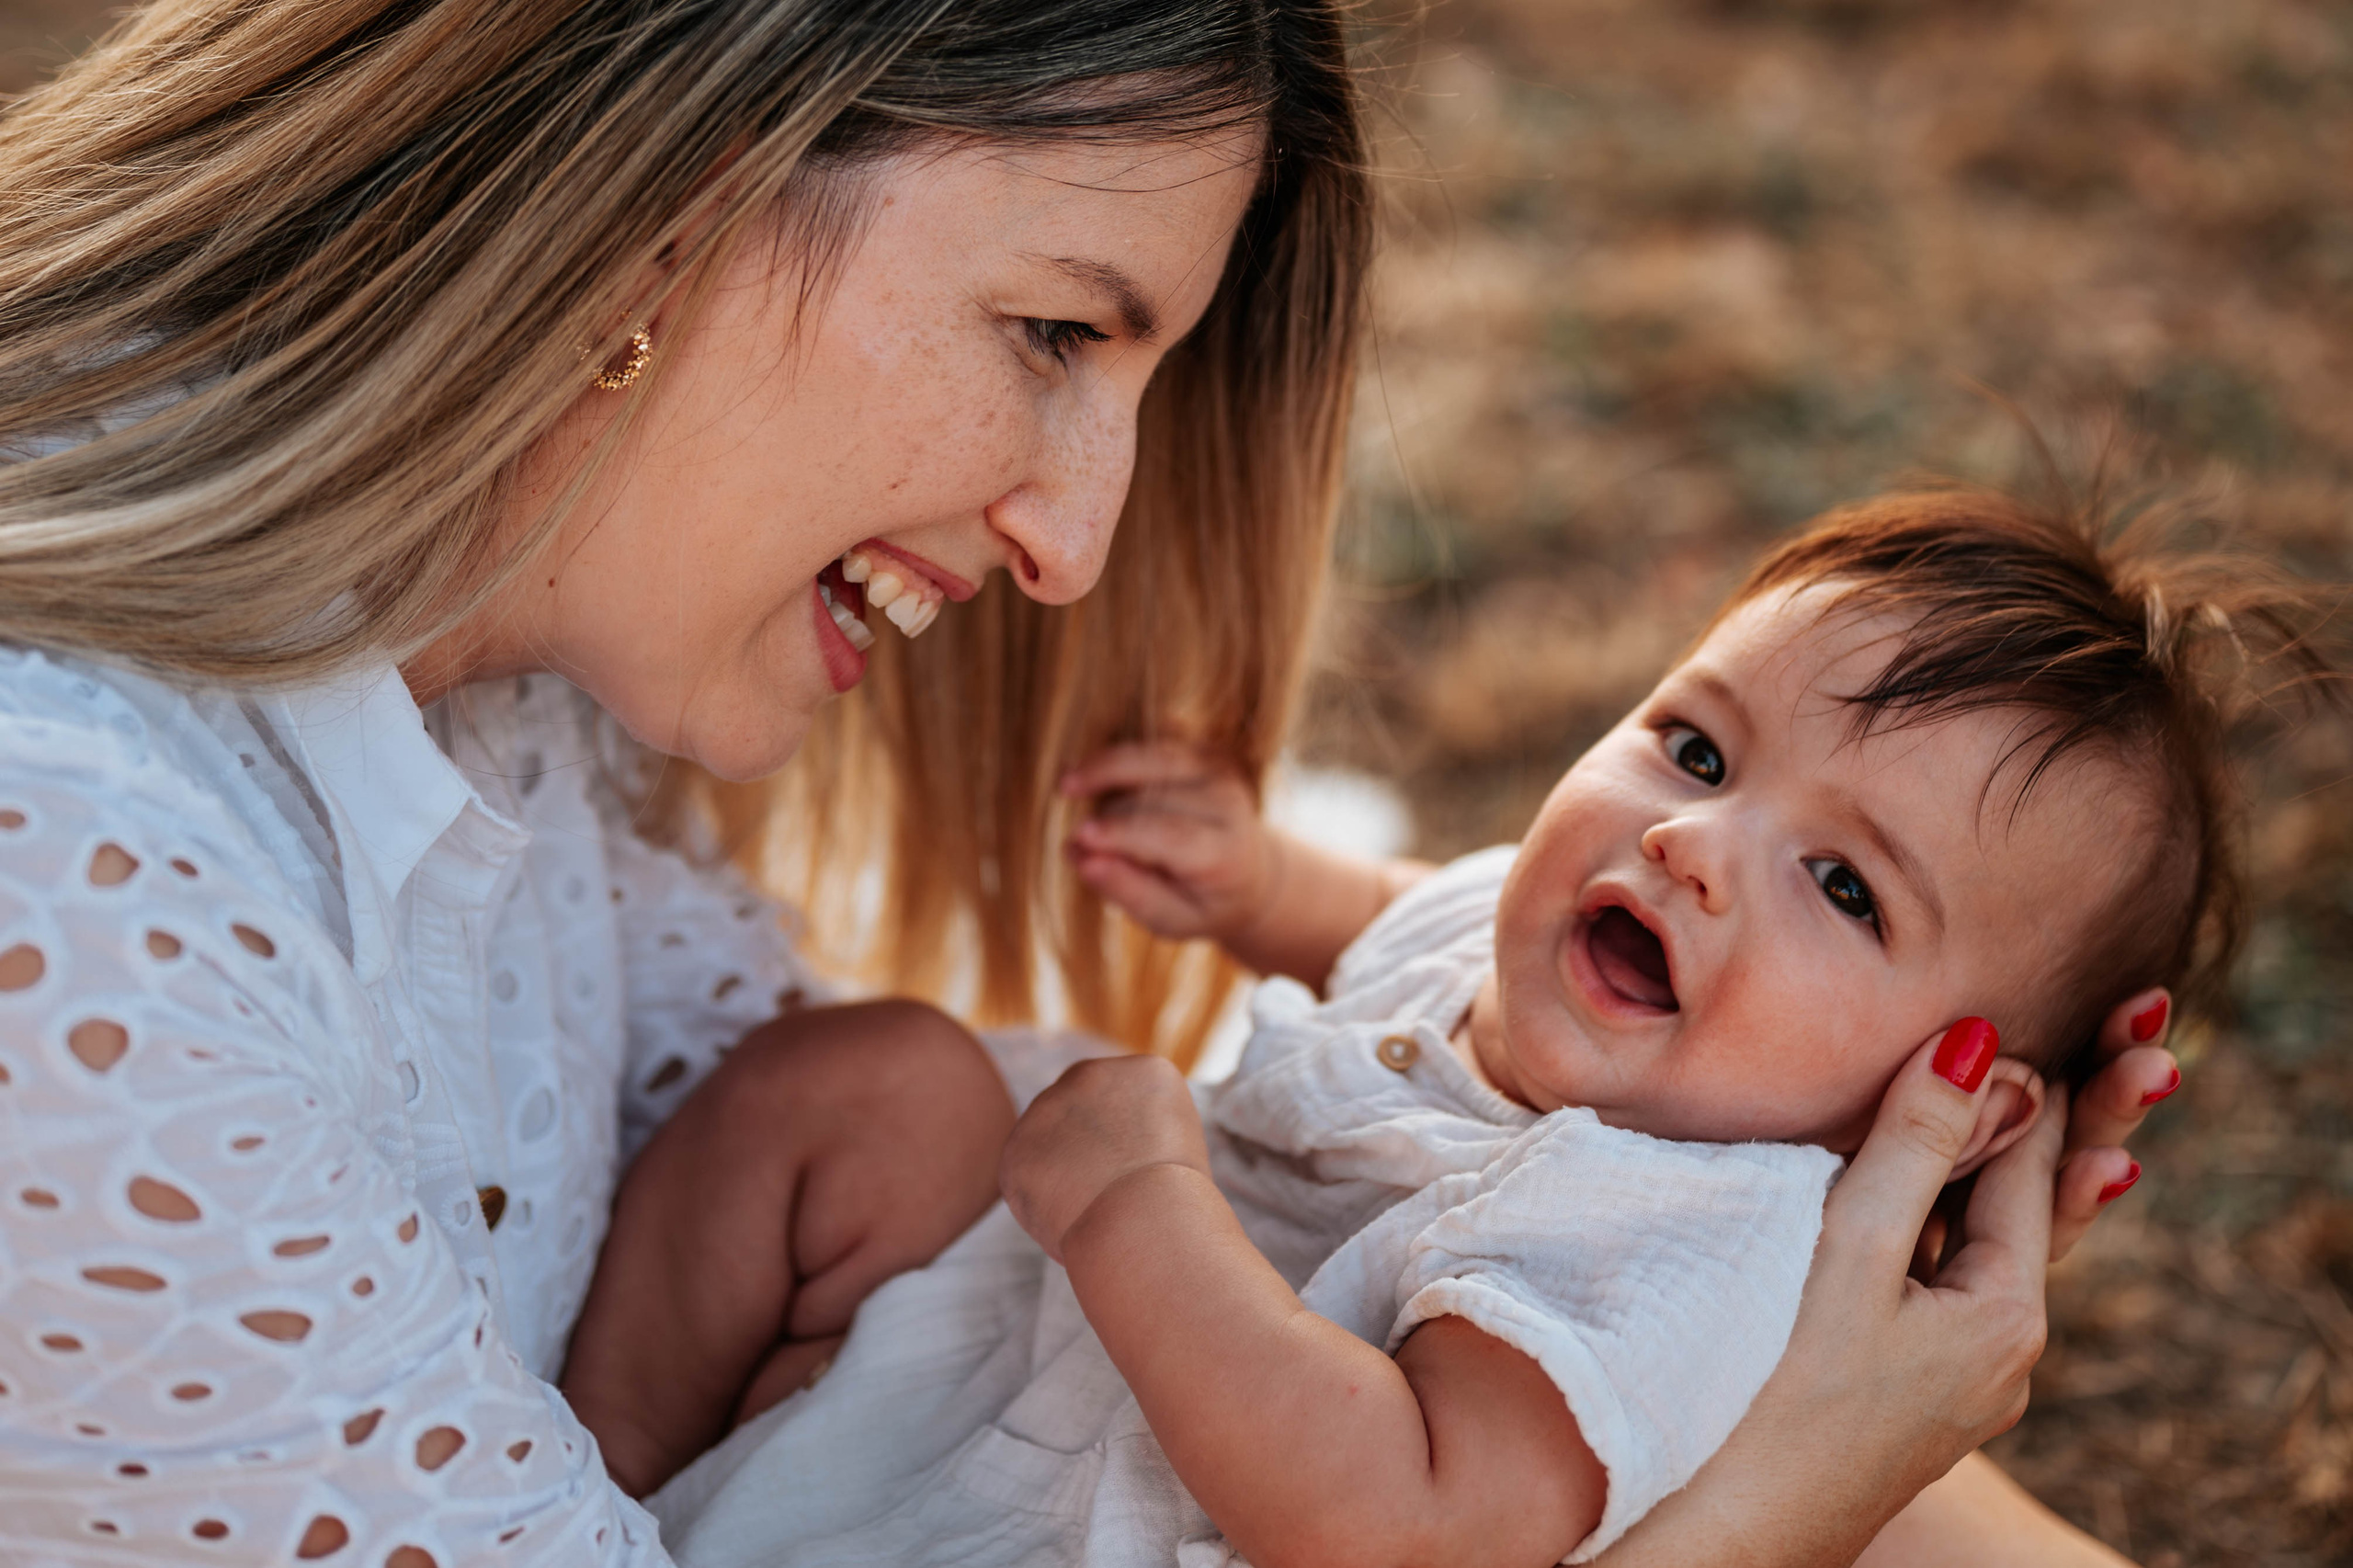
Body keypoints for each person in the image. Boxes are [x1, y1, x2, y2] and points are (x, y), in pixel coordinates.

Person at [0, 0, 2174, 1562]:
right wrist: (1781, 1506)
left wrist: (1875, 1340)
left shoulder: (516, 666)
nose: (1075, 548)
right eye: (1053, 331)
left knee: (894, 1082)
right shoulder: (78, 892)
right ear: (659, 179)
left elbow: (1522, 1326)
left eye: (1849, 888)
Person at [597, 486, 2331, 1567]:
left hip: (1118, 1505)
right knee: (861, 1082)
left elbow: (1399, 1522)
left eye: (1845, 886)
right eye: (1699, 747)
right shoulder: (1586, 943)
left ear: (1960, 1108)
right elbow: (1417, 909)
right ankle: (578, 1473)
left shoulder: (1685, 1250)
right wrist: (1260, 878)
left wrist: (1133, 1207)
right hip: (1025, 1344)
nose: (1694, 842)